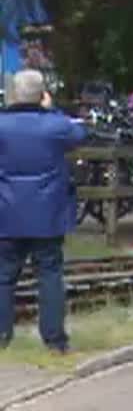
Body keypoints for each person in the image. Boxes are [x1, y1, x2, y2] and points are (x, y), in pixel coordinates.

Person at [0, 70, 86, 353]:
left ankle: (2, 336)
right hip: (47, 216)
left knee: (3, 276)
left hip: (6, 213)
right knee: (49, 275)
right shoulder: (55, 126)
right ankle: (54, 340)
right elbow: (79, 132)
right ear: (42, 95)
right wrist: (52, 109)